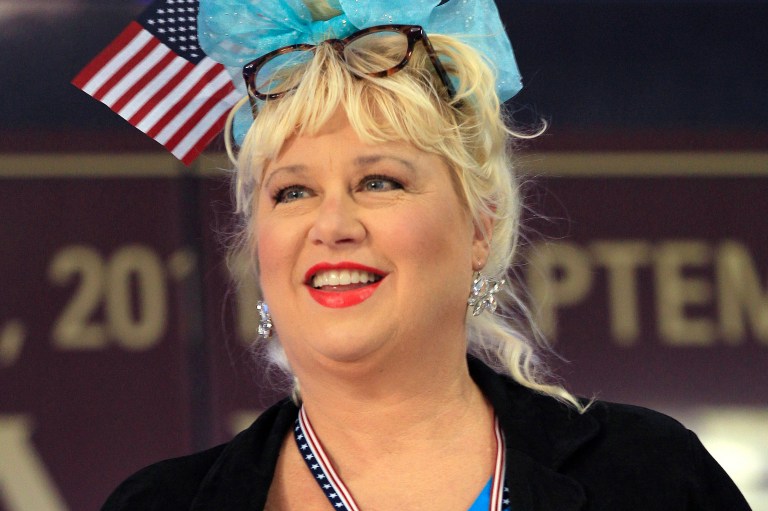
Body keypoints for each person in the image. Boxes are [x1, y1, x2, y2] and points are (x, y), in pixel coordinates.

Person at [102, 0, 752, 509]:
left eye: (378, 181)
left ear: (479, 226)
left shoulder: (652, 476)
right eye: (293, 190)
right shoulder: (162, 503)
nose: (332, 225)